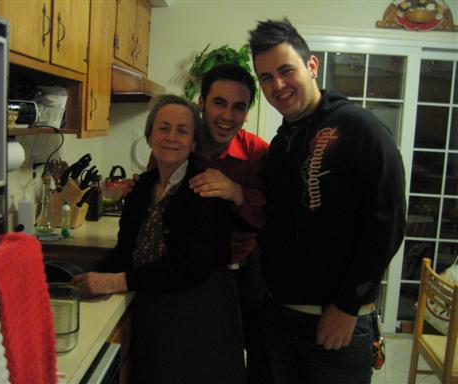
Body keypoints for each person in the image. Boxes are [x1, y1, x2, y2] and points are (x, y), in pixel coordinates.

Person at [247, 18, 406, 384]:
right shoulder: (281, 144)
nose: (278, 85)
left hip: (336, 325)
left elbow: (388, 221)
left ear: (312, 66)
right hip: (279, 319)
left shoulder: (358, 128)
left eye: (286, 70)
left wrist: (348, 305)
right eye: (266, 77)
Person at [72, 95, 246, 384]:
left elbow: (192, 265)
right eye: (163, 128)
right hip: (155, 305)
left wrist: (116, 281)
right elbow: (126, 250)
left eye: (182, 131)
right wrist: (82, 281)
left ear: (193, 142)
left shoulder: (206, 186)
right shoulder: (142, 189)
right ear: (150, 135)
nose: (171, 138)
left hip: (200, 313)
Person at [146, 64, 270, 381]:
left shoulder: (258, 153)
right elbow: (153, 203)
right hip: (190, 276)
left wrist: (237, 193)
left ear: (246, 113)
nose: (227, 115)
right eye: (219, 102)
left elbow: (270, 218)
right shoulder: (176, 142)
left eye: (238, 107)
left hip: (247, 273)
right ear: (202, 102)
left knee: (253, 366)